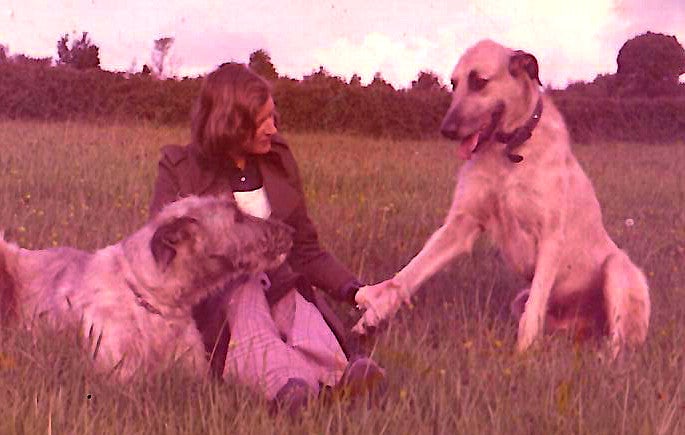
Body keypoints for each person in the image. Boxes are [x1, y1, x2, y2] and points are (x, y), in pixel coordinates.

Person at [148, 62, 385, 416]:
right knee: (247, 299)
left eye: (274, 117)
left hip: (279, 284)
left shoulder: (277, 161)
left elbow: (305, 250)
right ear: (231, 124)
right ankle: (288, 386)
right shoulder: (179, 168)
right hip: (220, 298)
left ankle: (340, 376)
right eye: (263, 121)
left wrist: (356, 291)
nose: (273, 128)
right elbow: (162, 254)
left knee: (295, 302)